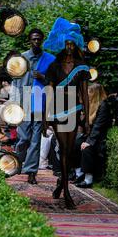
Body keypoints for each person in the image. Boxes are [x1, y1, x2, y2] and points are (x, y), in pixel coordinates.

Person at [43, 17, 91, 208]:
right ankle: (67, 193)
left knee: (70, 151)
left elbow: (84, 94)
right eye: (67, 43)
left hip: (75, 109)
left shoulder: (81, 66)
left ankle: (60, 184)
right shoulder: (54, 65)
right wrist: (45, 117)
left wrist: (86, 118)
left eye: (72, 44)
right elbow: (48, 91)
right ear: (63, 43)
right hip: (57, 110)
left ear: (76, 44)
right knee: (64, 149)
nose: (69, 47)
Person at [10, 29, 56, 184]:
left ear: (42, 40)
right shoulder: (22, 58)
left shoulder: (50, 60)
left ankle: (31, 172)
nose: (36, 42)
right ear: (29, 40)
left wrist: (43, 77)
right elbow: (15, 82)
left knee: (36, 139)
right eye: (33, 39)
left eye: (39, 39)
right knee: (23, 138)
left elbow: (55, 83)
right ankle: (18, 163)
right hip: (23, 103)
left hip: (39, 102)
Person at [73, 84, 113, 188]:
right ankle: (78, 173)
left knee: (87, 148)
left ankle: (88, 179)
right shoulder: (90, 104)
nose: (87, 94)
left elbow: (98, 127)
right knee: (74, 143)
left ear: (96, 94)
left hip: (99, 137)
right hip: (90, 134)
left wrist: (88, 142)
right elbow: (84, 124)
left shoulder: (103, 106)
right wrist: (81, 116)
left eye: (90, 92)